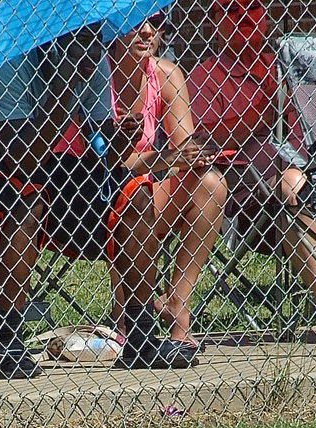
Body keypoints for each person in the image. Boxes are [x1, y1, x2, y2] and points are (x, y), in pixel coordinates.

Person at [0, 30, 167, 374]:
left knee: (135, 191)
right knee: (27, 194)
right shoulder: (8, 53)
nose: (91, 40)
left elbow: (106, 157)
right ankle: (8, 342)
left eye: (94, 32)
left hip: (44, 163)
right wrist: (65, 85)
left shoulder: (88, 54)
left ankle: (141, 338)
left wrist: (122, 138)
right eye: (82, 33)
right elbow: (20, 158)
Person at [186, 0, 316, 330]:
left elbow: (305, 135)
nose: (243, 17)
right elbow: (203, 144)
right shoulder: (204, 75)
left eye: (252, 8)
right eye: (231, 10)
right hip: (245, 202)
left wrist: (299, 164)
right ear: (214, 22)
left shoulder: (287, 67)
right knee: (289, 190)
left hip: (313, 181)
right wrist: (262, 112)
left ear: (265, 17)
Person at [107, 11, 225, 357]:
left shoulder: (167, 74)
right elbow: (112, 164)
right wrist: (167, 160)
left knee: (210, 183)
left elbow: (182, 148)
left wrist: (192, 156)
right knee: (135, 192)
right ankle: (128, 319)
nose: (146, 31)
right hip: (98, 194)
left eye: (155, 22)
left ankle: (177, 308)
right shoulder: (95, 74)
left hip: (147, 184)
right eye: (134, 22)